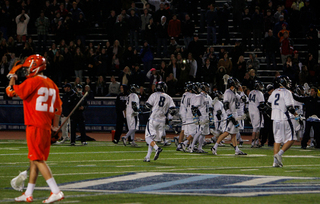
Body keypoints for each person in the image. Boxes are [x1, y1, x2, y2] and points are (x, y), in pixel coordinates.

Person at [6, 54, 64, 202]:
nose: (26, 70)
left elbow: (10, 91)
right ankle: (28, 193)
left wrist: (12, 76)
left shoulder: (33, 81)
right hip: (45, 126)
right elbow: (58, 109)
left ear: (35, 67)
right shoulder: (52, 83)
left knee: (38, 159)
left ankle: (55, 191)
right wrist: (56, 127)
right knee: (34, 160)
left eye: (28, 67)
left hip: (35, 124)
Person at [268, 75, 300, 167]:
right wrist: (297, 116)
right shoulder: (287, 92)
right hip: (284, 118)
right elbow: (290, 108)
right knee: (292, 138)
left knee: (277, 140)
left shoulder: (274, 92)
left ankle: (275, 162)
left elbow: (268, 104)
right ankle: (279, 154)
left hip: (275, 119)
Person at [211, 77, 247, 156]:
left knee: (234, 133)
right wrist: (230, 115)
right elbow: (226, 105)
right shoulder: (228, 92)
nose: (238, 85)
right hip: (230, 115)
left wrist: (242, 92)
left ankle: (236, 150)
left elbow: (243, 99)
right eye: (236, 84)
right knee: (227, 133)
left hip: (234, 114)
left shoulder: (234, 92)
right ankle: (215, 147)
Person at [144, 81, 176, 162]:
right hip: (162, 121)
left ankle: (157, 148)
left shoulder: (154, 95)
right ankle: (147, 157)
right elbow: (173, 110)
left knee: (148, 138)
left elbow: (147, 106)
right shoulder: (168, 97)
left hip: (153, 119)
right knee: (152, 139)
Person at [248, 80, 265, 148]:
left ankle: (256, 142)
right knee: (256, 128)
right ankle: (253, 143)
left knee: (256, 127)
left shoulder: (250, 92)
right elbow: (262, 104)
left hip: (251, 111)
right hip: (256, 111)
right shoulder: (259, 93)